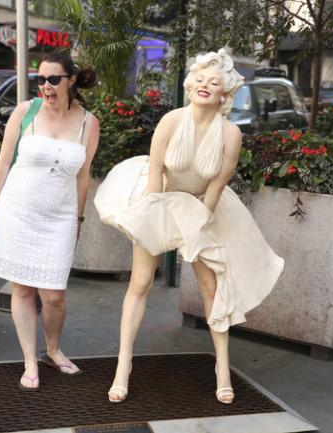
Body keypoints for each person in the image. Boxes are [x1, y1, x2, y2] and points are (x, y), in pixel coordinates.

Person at [94, 49, 284, 404]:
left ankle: (222, 369)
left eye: (214, 82)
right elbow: (155, 174)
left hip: (201, 206)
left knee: (212, 287)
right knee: (140, 282)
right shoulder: (171, 121)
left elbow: (215, 187)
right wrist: (156, 219)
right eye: (199, 79)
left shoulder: (230, 134)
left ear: (225, 92)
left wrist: (195, 229)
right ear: (189, 83)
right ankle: (123, 367)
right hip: (160, 198)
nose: (204, 86)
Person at [0, 51, 100, 390]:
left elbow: (83, 176)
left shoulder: (89, 123)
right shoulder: (25, 111)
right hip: (18, 211)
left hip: (60, 217)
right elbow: (3, 164)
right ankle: (30, 361)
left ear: (71, 80)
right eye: (41, 80)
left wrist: (77, 218)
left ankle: (53, 349)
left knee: (54, 296)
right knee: (22, 289)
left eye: (53, 79)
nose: (46, 87)